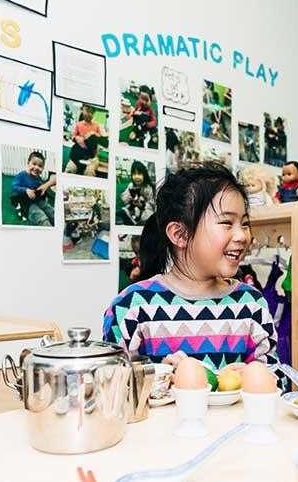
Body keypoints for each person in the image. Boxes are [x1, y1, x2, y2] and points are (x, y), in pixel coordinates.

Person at [103, 164, 280, 375]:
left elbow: (277, 379)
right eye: (226, 222)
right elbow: (111, 388)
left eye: (244, 223)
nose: (242, 236)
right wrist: (160, 378)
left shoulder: (251, 305)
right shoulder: (131, 307)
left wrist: (253, 376)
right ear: (180, 235)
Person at [10, 151, 55, 226]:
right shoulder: (21, 175)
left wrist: (44, 195)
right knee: (39, 216)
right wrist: (26, 190)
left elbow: (40, 188)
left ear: (43, 168)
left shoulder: (38, 177)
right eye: (34, 164)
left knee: (49, 210)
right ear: (28, 163)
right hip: (24, 200)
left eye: (40, 166)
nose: (37, 167)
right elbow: (14, 187)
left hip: (35, 198)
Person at [67, 104, 106, 176]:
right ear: (83, 110)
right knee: (70, 168)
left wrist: (94, 134)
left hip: (91, 156)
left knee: (89, 171)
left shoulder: (97, 125)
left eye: (92, 112)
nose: (89, 114)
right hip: (77, 154)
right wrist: (76, 138)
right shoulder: (78, 125)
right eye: (87, 111)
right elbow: (72, 136)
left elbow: (102, 138)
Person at [119, 160, 155, 225]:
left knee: (149, 215)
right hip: (133, 208)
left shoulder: (147, 187)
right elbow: (124, 198)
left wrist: (142, 205)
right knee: (126, 209)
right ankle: (131, 219)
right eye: (134, 174)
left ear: (144, 175)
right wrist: (129, 197)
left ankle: (137, 221)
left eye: (139, 174)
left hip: (145, 209)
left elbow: (152, 203)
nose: (136, 177)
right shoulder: (131, 185)